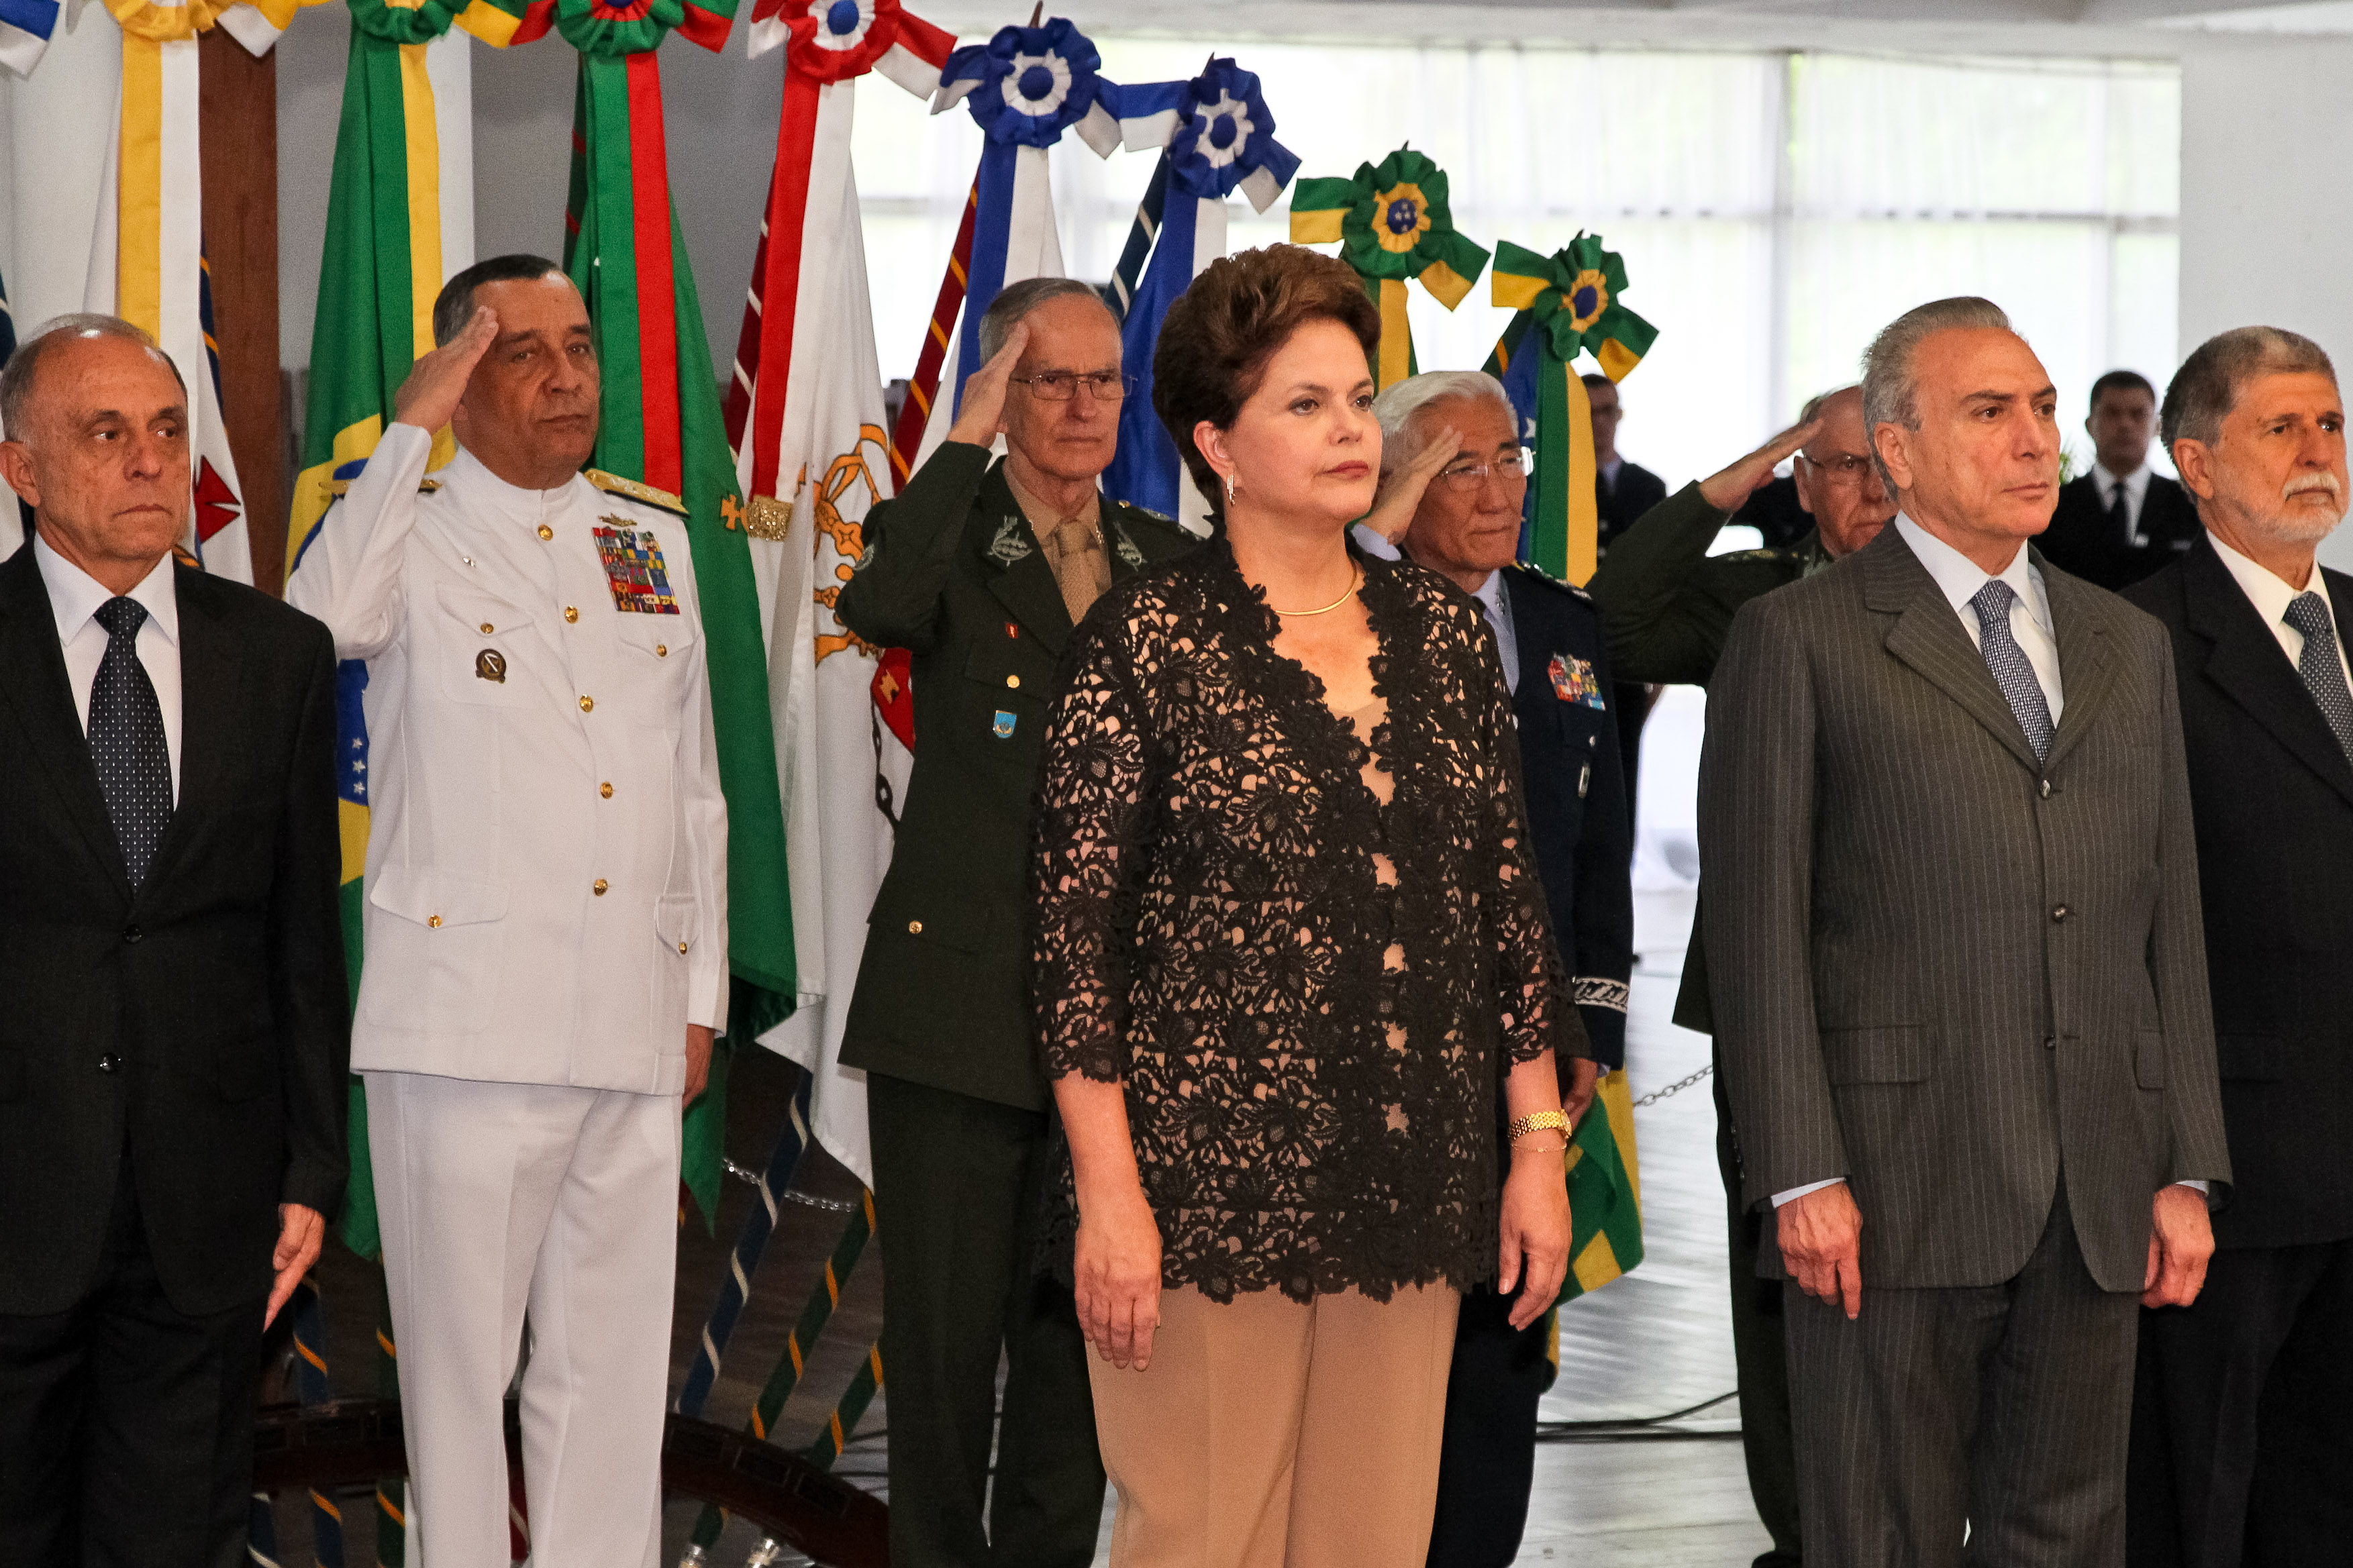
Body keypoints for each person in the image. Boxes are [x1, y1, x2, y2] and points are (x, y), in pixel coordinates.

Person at [1030, 244, 1582, 1566]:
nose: (1350, 430)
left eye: (1355, 397)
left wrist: (1540, 1149)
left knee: (1370, 1541)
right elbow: (1073, 956)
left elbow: (1504, 909)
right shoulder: (1147, 646)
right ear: (1217, 441)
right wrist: (1110, 1195)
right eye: (1305, 403)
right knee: (1201, 1537)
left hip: (1411, 1175)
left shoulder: (1443, 638)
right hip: (1204, 1193)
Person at [1699, 296, 2232, 1568]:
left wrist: (2188, 1159)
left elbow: (2173, 920)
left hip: (2099, 1178)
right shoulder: (1797, 638)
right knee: (1878, 1536)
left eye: (2042, 408)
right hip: (1888, 1183)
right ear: (1895, 447)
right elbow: (1756, 930)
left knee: (2069, 1534)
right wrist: (1799, 1171)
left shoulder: (2126, 644)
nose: (2035, 438)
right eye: (1989, 412)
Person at [285, 256, 728, 1567]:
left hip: (632, 1021)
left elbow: (690, 786)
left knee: (606, 1386)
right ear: (461, 374)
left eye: (579, 348)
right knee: (458, 1390)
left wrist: (698, 995)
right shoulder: (399, 526)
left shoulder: (651, 537)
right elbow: (309, 637)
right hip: (466, 1036)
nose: (566, 376)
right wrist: (406, 429)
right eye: (522, 352)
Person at [833, 276, 1197, 1568]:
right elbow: (878, 608)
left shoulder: (1168, 560)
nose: (1088, 404)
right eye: (1054, 378)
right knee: (940, 1362)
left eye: (1106, 379)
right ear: (1001, 391)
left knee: (1082, 1354)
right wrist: (963, 437)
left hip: (1119, 1029)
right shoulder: (947, 531)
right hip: (963, 1011)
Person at [0, 315, 348, 1567]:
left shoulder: (281, 658)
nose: (151, 461)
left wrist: (313, 1162)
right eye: (106, 433)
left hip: (207, 1210)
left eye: (164, 430)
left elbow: (302, 938)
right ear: (23, 471)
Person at [1584, 382, 1889, 1568]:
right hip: (1777, 1004)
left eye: (1882, 461)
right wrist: (1743, 473)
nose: (1868, 489)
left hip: (1933, 997)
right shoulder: (1756, 597)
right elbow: (1611, 620)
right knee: (1780, 1280)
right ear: (1802, 485)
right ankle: (1804, 1531)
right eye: (1837, 466)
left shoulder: (1967, 596)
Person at [1356, 369, 1632, 1567]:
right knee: (1382, 1357)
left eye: (1509, 457)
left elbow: (1599, 846)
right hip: (1388, 1053)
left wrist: (1595, 1033)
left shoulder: (1564, 623)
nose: (1498, 488)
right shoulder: (1349, 618)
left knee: (1504, 1343)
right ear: (1395, 484)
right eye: (1458, 466)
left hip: (1536, 1064)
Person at [2122, 327, 2353, 1567]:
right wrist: (2170, 1161)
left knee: (2328, 1503)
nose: (2318, 452)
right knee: (2196, 1504)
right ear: (2196, 464)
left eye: (2329, 424)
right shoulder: (2133, 643)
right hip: (2230, 1171)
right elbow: (2123, 921)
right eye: (2282, 427)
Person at [2038, 370, 2201, 590]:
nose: (2125, 424)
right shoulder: (2054, 507)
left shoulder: (2190, 506)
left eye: (2138, 414)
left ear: (2157, 427)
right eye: (2112, 413)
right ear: (2090, 425)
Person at [1587, 371, 1668, 550]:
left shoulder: (1649, 487)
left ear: (1619, 414)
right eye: (1589, 411)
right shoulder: (1558, 484)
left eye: (1607, 410)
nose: (1599, 420)